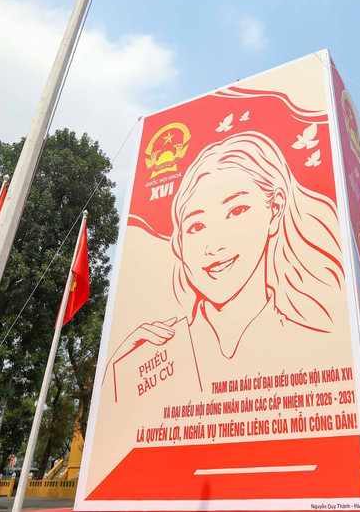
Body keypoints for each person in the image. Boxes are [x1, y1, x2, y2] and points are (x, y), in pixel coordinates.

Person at [114, 132, 344, 370]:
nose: (213, 247)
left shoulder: (316, 349)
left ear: (275, 209)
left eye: (236, 211)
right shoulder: (149, 359)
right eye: (196, 226)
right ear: (179, 244)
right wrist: (117, 370)